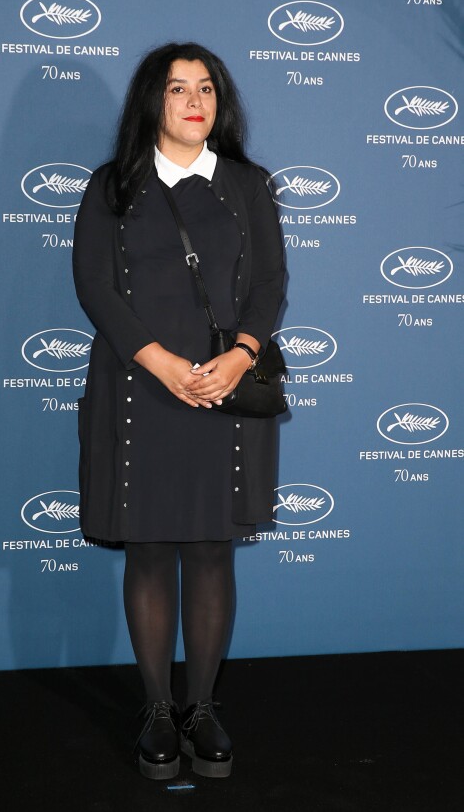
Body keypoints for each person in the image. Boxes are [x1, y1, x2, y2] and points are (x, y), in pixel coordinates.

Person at [72, 42, 284, 780]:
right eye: (176, 89)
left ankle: (202, 707)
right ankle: (158, 708)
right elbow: (95, 288)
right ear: (151, 103)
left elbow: (270, 285)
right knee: (152, 549)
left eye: (207, 89)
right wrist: (162, 364)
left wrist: (242, 354)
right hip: (141, 390)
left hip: (223, 391)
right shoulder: (112, 186)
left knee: (210, 550)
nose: (195, 101)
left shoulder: (248, 185)